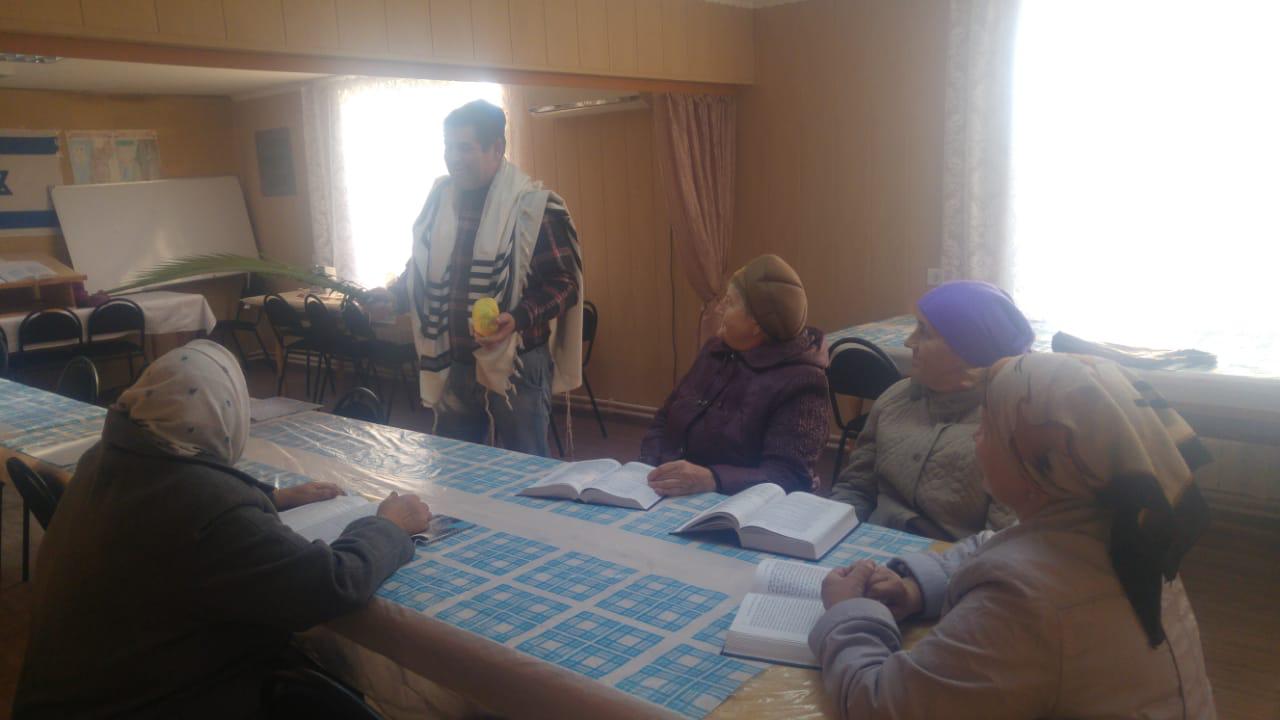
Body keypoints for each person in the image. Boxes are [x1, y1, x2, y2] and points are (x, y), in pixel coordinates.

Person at [13, 341, 432, 719]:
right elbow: (330, 584)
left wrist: (273, 496)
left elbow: (177, 498)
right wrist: (388, 526)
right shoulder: (206, 511)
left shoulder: (104, 458)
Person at [811, 353, 1216, 719]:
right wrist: (915, 587)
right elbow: (993, 544)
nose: (975, 439)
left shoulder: (1023, 603)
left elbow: (880, 706)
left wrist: (850, 613)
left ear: (1040, 463)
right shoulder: (1127, 529)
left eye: (987, 428)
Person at [371, 99, 583, 457]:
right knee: (455, 464)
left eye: (464, 148)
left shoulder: (533, 208)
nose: (453, 158)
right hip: (454, 359)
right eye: (448, 147)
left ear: (496, 148)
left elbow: (565, 284)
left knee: (524, 465)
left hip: (516, 362)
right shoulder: (439, 201)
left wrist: (517, 317)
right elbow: (421, 268)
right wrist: (393, 297)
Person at [830, 281, 1033, 539]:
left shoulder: (1012, 427)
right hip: (870, 546)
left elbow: (1002, 542)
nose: (909, 342)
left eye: (924, 332)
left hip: (957, 560)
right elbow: (855, 488)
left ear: (968, 348)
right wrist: (825, 531)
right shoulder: (894, 399)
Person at [640, 254, 830, 496]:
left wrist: (712, 479)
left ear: (757, 323)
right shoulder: (715, 351)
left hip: (737, 505)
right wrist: (650, 465)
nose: (719, 307)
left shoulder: (803, 381)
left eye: (729, 302)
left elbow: (789, 475)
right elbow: (665, 417)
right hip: (670, 492)